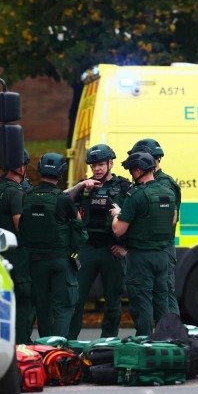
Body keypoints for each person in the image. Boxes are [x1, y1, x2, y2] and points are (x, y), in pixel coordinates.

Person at [64, 144, 131, 339]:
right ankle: (70, 342)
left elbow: (137, 217)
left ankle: (108, 342)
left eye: (101, 164)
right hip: (88, 249)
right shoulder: (84, 186)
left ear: (110, 163)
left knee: (113, 301)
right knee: (76, 298)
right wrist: (81, 186)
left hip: (112, 250)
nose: (97, 169)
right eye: (93, 165)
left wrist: (126, 247)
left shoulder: (124, 186)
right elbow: (60, 200)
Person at [20, 152, 87, 338]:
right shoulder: (63, 199)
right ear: (61, 172)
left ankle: (44, 346)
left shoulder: (28, 196)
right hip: (60, 261)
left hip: (35, 262)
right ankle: (58, 346)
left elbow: (22, 227)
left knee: (42, 306)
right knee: (63, 306)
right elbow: (78, 227)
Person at [110, 151, 177, 336]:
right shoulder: (168, 192)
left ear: (139, 170)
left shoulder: (136, 195)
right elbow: (172, 220)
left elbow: (119, 230)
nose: (131, 174)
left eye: (132, 170)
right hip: (162, 256)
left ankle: (145, 342)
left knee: (142, 303)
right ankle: (165, 341)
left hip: (141, 258)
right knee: (162, 301)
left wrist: (117, 215)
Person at [128, 139, 181, 321]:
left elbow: (168, 218)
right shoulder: (152, 183)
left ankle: (171, 333)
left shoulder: (163, 184)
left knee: (165, 297)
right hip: (156, 248)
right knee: (159, 297)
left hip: (160, 248)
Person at [0, 149, 34, 344]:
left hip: (1, 252)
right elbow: (20, 226)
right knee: (24, 301)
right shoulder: (16, 193)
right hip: (19, 255)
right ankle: (22, 343)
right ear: (21, 167)